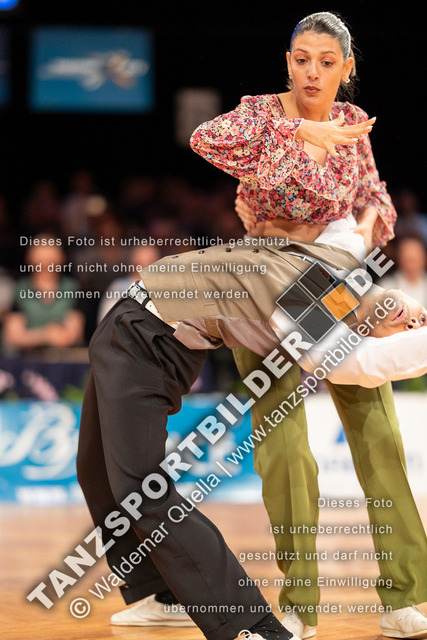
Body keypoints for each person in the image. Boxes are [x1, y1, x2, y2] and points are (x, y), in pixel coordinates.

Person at [179, 10, 425, 639]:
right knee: (284, 454)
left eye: (326, 62)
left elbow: (377, 199)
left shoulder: (352, 124)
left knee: (379, 440)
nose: (312, 72)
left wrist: (358, 233)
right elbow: (204, 139)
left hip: (337, 286)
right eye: (302, 59)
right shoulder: (260, 114)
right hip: (264, 288)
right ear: (288, 61)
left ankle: (405, 597)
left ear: (347, 68)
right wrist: (297, 136)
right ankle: (300, 607)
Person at [78, 237, 427, 640]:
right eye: (420, 317)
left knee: (142, 492)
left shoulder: (316, 322)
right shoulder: (337, 261)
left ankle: (249, 623)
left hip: (149, 340)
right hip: (125, 321)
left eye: (408, 331)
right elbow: (348, 219)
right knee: (95, 471)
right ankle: (163, 594)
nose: (409, 320)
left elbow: (364, 365)